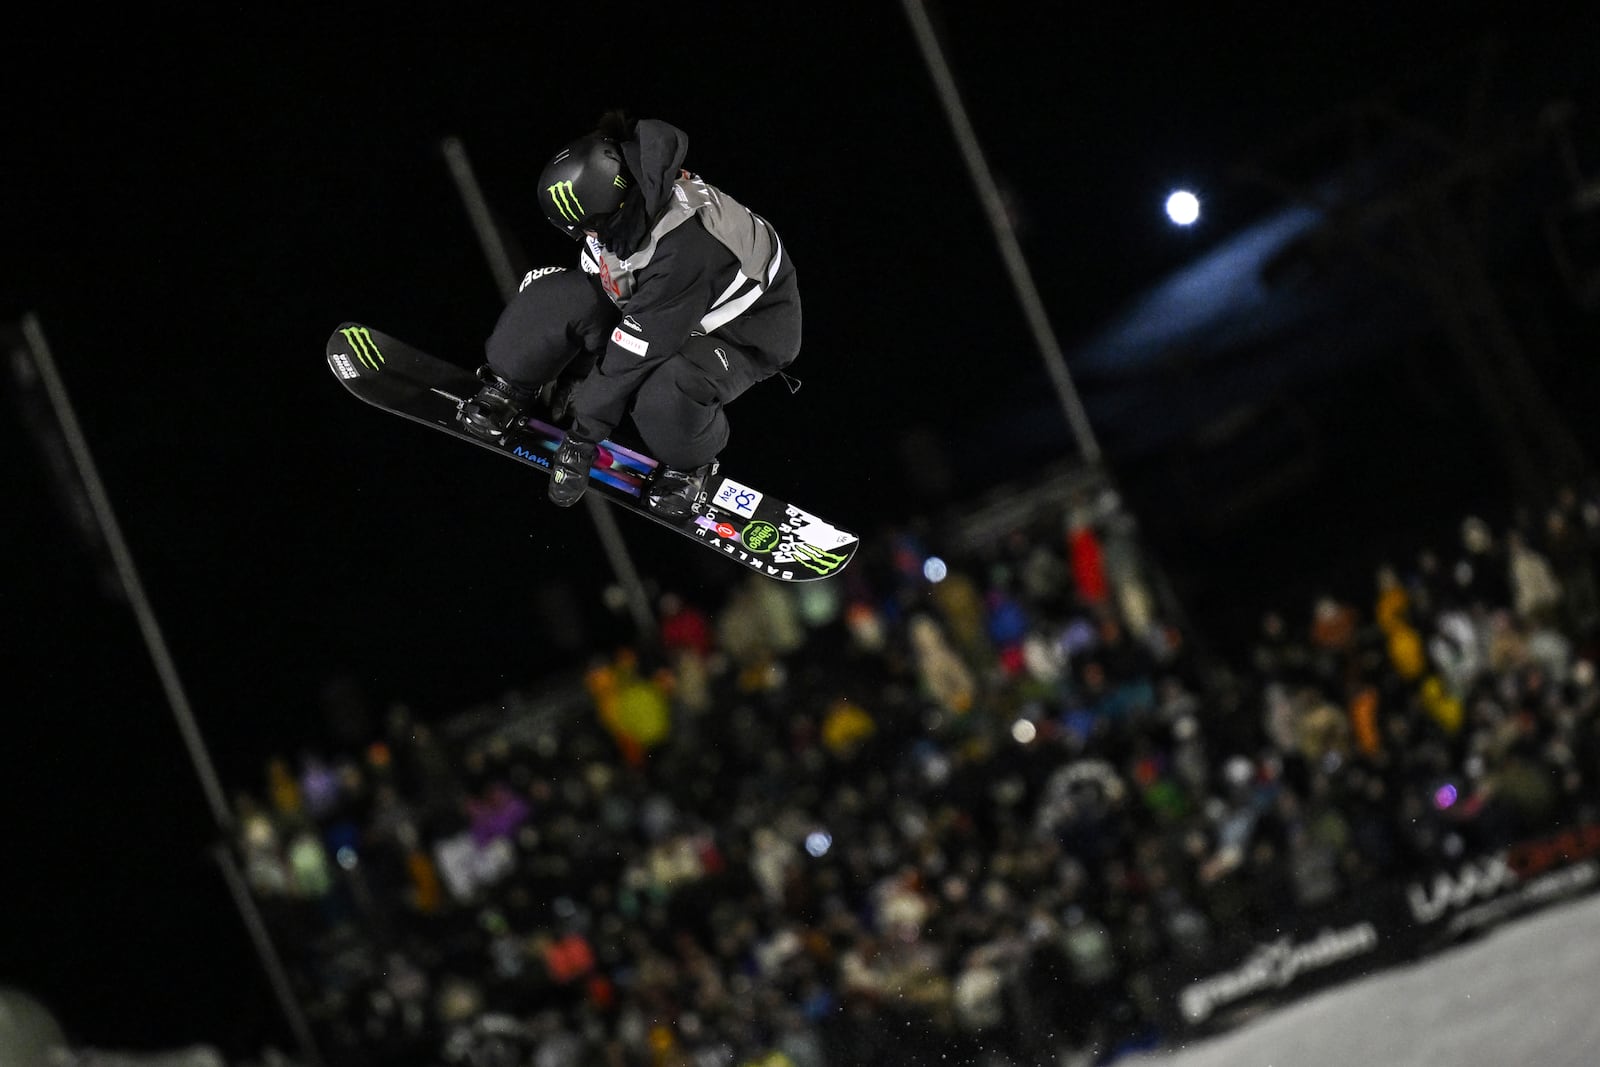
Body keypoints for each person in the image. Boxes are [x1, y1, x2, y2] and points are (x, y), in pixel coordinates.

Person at [458, 111, 802, 519]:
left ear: (610, 211)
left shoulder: (686, 245)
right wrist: (558, 357)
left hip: (737, 334)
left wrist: (582, 440)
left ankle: (691, 466)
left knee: (665, 387)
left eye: (589, 229)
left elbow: (638, 348)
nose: (587, 238)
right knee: (550, 297)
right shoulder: (625, 212)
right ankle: (508, 390)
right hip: (665, 309)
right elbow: (597, 290)